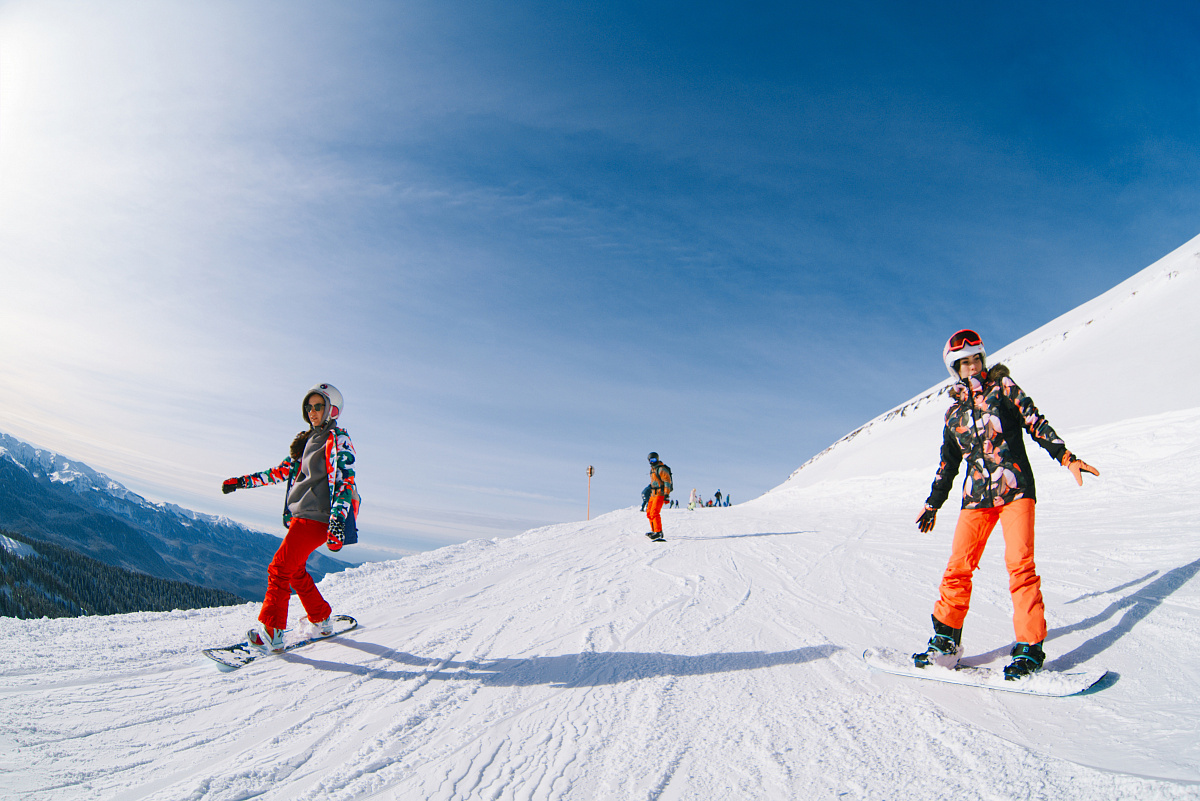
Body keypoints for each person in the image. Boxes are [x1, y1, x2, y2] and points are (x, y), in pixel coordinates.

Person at [913, 330, 1098, 679]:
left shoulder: (1004, 389)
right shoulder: (953, 415)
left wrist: (1067, 457)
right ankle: (945, 642)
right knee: (957, 569)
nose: (972, 366)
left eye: (976, 359)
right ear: (955, 368)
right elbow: (948, 463)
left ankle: (1029, 649)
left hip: (1015, 491)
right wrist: (933, 503)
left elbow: (1035, 422)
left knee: (1020, 566)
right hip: (975, 500)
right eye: (963, 362)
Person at [222, 382, 359, 653]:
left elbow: (346, 482)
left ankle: (271, 632)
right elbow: (279, 472)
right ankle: (320, 619)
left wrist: (336, 520)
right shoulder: (306, 441)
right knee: (294, 570)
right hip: (302, 516)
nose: (312, 411)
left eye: (318, 406)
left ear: (332, 410)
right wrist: (241, 482)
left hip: (318, 517)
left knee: (279, 569)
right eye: (308, 407)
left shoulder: (338, 440)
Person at [645, 452, 672, 542]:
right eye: (651, 460)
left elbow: (667, 482)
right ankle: (654, 530)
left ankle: (658, 532)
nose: (652, 462)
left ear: (657, 459)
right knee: (649, 512)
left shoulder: (661, 469)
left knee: (654, 512)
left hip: (660, 494)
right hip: (653, 494)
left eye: (654, 460)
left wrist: (666, 495)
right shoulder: (653, 470)